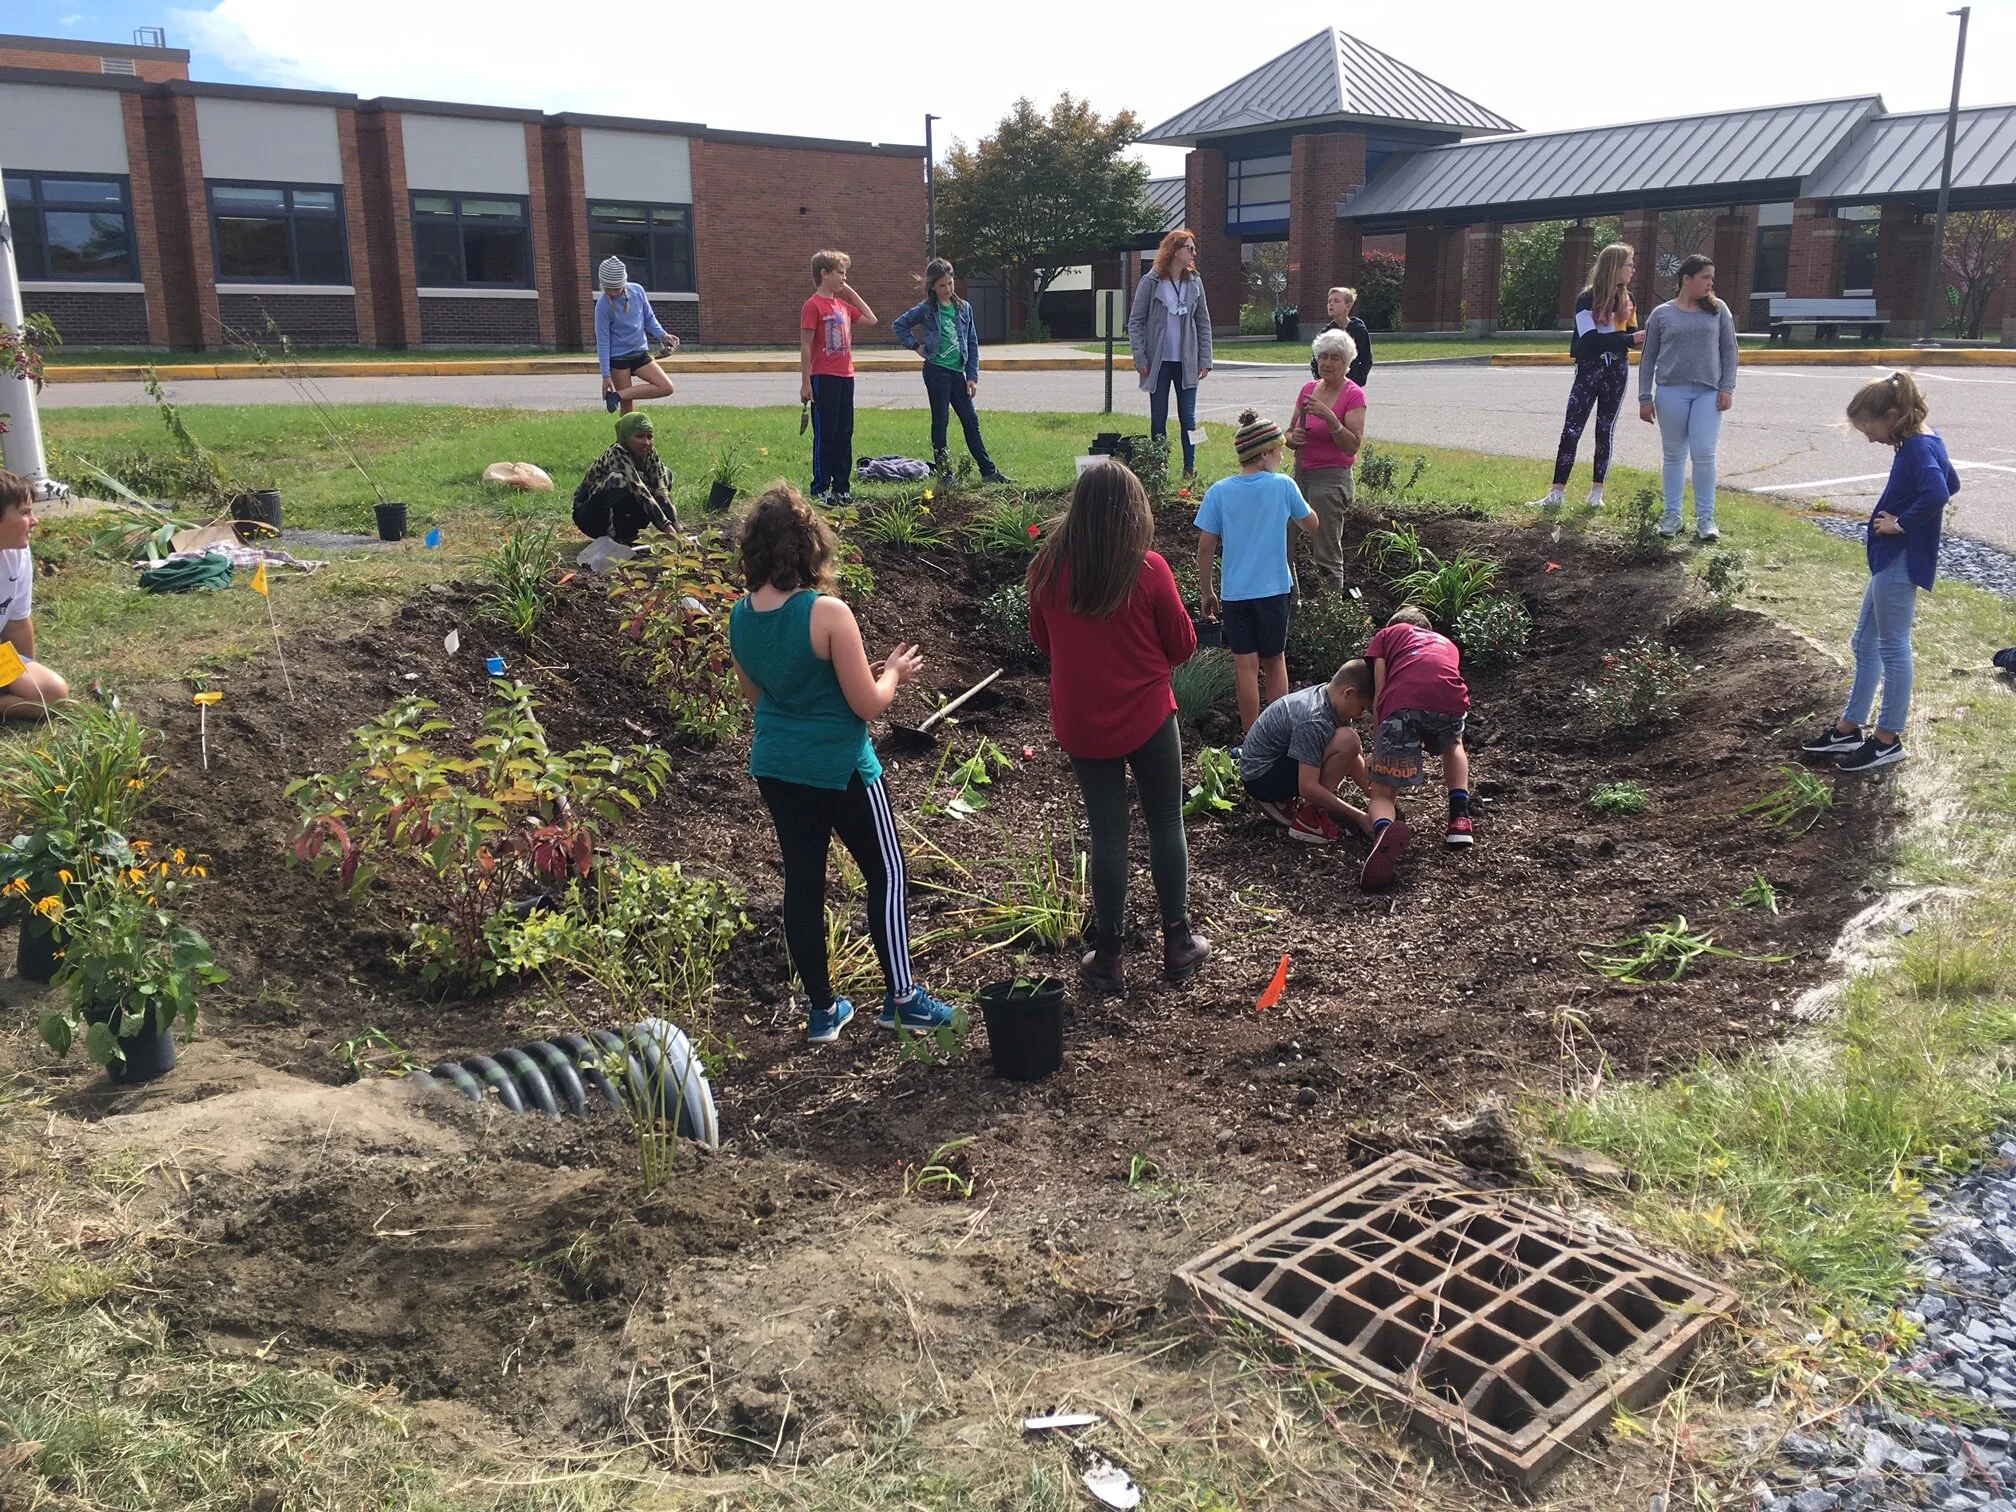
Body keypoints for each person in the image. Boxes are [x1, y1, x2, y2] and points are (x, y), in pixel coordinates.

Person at [729, 484, 955, 1042]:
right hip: (842, 768)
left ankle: (823, 1012)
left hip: (777, 767)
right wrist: (894, 672)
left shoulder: (740, 614)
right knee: (888, 872)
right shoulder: (827, 612)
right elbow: (868, 705)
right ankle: (903, 999)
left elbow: (760, 696)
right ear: (808, 545)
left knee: (803, 883)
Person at [1027, 461, 1208, 993]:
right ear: (1135, 512)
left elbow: (1043, 641)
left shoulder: (1047, 569)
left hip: (1082, 721)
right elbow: (1183, 645)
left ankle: (1108, 955)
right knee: (1165, 820)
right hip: (1149, 714)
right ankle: (1178, 942)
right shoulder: (1148, 570)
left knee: (1107, 832)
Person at [1798, 372, 1956, 775]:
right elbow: (1951, 480)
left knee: (1892, 646)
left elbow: (1939, 492)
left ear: (1891, 414)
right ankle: (1848, 729)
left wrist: (1901, 523)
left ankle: (1887, 740)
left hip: (1900, 559)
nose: (1869, 438)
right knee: (1864, 641)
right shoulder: (1924, 439)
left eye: (1870, 429)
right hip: (1889, 559)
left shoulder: (1917, 446)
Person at [1195, 410, 1318, 733]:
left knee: (1245, 666)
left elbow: (1205, 548)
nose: (1282, 457)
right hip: (1274, 589)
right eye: (1278, 451)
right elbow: (1311, 524)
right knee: (1275, 660)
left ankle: (1252, 737)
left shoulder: (1219, 491)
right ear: (1263, 454)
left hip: (1235, 593)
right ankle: (1278, 735)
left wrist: (1207, 590)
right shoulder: (1283, 485)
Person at [1360, 606, 1473, 890]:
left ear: (1395, 625)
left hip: (1403, 702)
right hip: (1451, 701)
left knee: (1382, 791)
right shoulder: (1446, 643)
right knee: (1454, 743)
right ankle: (1460, 819)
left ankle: (1383, 831)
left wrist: (1377, 746)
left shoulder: (1387, 634)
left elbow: (1381, 692)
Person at [1638, 253, 1738, 541]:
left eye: (1712, 278)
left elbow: (1729, 350)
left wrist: (1727, 387)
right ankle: (1672, 516)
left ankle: (1706, 519)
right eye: (1705, 277)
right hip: (1671, 392)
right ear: (1687, 279)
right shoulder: (1661, 314)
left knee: (1704, 452)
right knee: (1674, 455)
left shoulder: (1719, 310)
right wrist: (1645, 397)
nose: (1710, 283)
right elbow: (1648, 358)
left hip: (1708, 392)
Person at [889, 258, 1012, 485]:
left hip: (958, 374)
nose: (948, 289)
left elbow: (972, 342)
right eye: (942, 285)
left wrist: (972, 376)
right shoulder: (927, 308)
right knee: (941, 421)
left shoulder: (964, 308)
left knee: (971, 421)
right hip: (936, 371)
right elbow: (899, 325)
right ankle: (945, 474)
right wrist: (916, 346)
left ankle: (988, 471)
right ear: (933, 286)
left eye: (950, 283)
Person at [1540, 243, 1643, 508]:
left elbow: (1629, 336)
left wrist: (1637, 339)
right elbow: (1589, 339)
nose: (1633, 269)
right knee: (1572, 428)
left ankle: (1597, 492)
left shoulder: (1628, 300)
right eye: (1629, 264)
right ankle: (1557, 492)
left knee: (1605, 429)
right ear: (1614, 267)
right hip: (1589, 369)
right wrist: (1627, 340)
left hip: (1616, 370)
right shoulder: (1587, 298)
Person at [1238, 659, 1375, 845]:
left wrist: (1375, 796)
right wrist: (1359, 816)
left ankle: (1286, 802)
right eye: (1362, 708)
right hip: (1261, 777)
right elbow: (1308, 787)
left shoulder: (1329, 698)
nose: (1360, 715)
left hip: (1271, 763)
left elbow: (1351, 755)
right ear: (1348, 693)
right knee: (1348, 739)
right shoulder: (1315, 719)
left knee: (1349, 741)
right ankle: (1308, 820)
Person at [1285, 329, 1368, 593]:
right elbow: (1289, 434)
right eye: (1323, 356)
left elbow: (1352, 445)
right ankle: (1291, 602)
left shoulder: (1353, 395)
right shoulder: (1308, 390)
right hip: (1300, 478)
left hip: (1331, 481)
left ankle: (1329, 610)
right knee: (1283, 542)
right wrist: (1292, 438)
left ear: (1346, 363)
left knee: (1326, 552)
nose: (1327, 363)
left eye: (1335, 358)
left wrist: (1330, 418)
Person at [1126, 228, 1213, 479]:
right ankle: (1160, 468)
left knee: (1188, 418)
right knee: (1158, 418)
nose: (1194, 253)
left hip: (1187, 360)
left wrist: (1205, 359)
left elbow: (1203, 321)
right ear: (1174, 251)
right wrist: (1140, 357)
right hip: (1159, 361)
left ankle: (1189, 468)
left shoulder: (1194, 281)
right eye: (1189, 248)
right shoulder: (1151, 281)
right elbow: (1135, 321)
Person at [799, 250, 876, 505]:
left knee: (844, 433)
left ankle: (841, 487)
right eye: (840, 273)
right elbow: (806, 345)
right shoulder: (813, 306)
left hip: (846, 376)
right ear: (824, 273)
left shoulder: (843, 306)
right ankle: (820, 487)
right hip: (824, 377)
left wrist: (850, 292)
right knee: (826, 434)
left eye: (845, 273)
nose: (844, 277)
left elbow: (871, 319)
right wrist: (806, 382)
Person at [0, 471, 68, 722]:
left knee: (52, 693)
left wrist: (28, 675)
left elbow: (17, 623)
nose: (35, 520)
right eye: (25, 512)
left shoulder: (16, 554)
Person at [572, 412, 678, 544]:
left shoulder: (651, 455)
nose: (646, 442)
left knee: (666, 474)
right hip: (591, 517)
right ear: (626, 437)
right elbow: (640, 491)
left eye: (649, 436)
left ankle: (629, 532)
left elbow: (661, 492)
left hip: (627, 512)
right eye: (639, 436)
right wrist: (667, 527)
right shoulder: (617, 453)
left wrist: (676, 527)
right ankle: (615, 537)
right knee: (617, 479)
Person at [594, 256, 678, 415]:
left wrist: (662, 335)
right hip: (618, 359)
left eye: (617, 288)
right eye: (609, 288)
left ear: (624, 282)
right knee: (628, 408)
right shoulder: (602, 306)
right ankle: (624, 430)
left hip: (639, 354)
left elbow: (648, 318)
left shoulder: (637, 291)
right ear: (603, 285)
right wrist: (606, 376)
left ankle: (618, 395)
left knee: (666, 387)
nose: (613, 292)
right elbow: (603, 342)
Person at [1308, 286, 1373, 387]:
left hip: (1351, 385)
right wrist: (1321, 381)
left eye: (1336, 301)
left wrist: (1359, 379)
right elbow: (1316, 360)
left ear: (1348, 306)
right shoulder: (1326, 333)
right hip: (1330, 385)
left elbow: (1366, 359)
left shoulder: (1359, 330)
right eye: (1329, 301)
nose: (1331, 304)